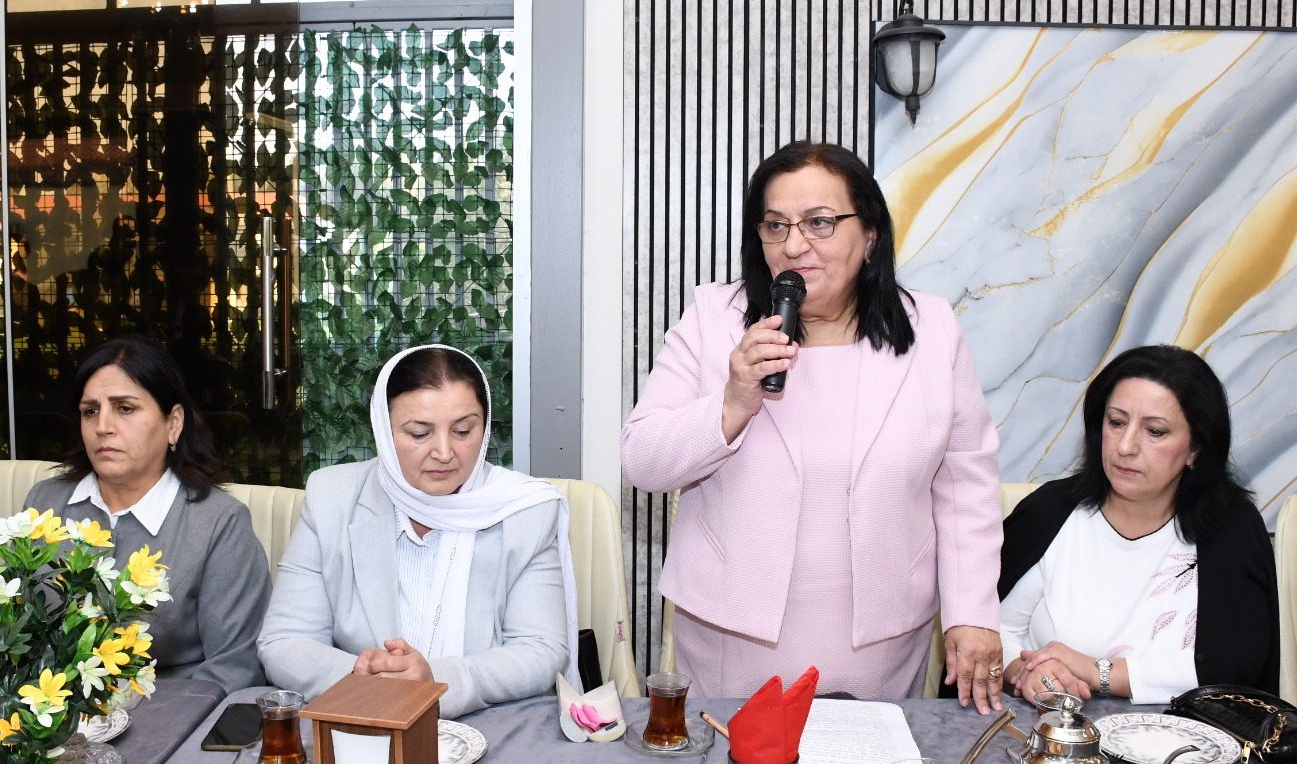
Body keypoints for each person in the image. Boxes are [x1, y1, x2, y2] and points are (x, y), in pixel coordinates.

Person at [620, 141, 1005, 712]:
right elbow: (643, 460)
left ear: (870, 235)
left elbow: (966, 485)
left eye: (819, 223)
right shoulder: (714, 320)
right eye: (776, 226)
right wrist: (731, 402)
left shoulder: (932, 328)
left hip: (879, 640)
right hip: (734, 634)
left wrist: (972, 614)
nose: (794, 245)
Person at [258, 344, 580, 718]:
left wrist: (435, 682)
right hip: (361, 718)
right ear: (383, 429)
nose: (444, 452)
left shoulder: (525, 512)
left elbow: (541, 650)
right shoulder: (332, 499)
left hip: (490, 724)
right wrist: (366, 680)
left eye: (463, 430)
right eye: (419, 433)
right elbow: (284, 640)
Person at [999, 345, 1280, 705]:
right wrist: (1028, 672)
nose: (1126, 446)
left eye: (1155, 431)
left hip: (1183, 736)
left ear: (1195, 449)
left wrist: (1099, 672)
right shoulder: (1050, 512)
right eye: (1116, 423)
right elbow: (992, 629)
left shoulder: (1231, 530)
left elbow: (1234, 670)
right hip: (1050, 729)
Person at [24, 335, 271, 696]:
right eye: (90, 411)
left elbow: (233, 670)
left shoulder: (219, 523)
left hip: (173, 717)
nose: (103, 426)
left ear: (173, 423)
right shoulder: (46, 502)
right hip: (47, 715)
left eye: (125, 408)